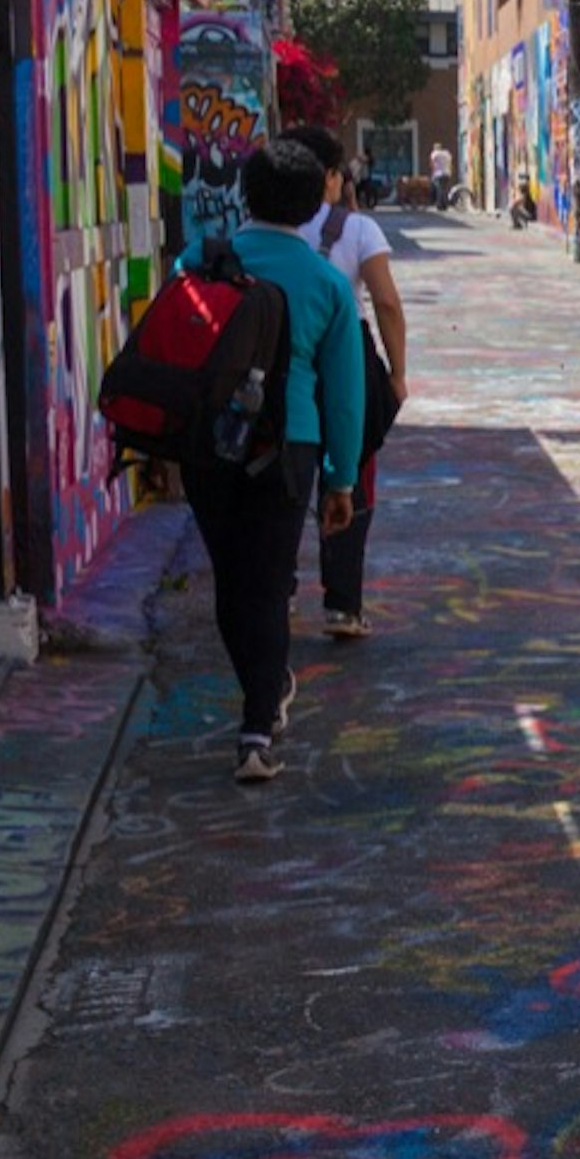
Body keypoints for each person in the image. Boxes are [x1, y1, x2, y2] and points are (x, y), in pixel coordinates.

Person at [187, 141, 364, 784]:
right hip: (290, 447)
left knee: (234, 583)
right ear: (318, 197)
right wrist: (341, 481)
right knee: (269, 581)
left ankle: (262, 702)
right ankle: (258, 724)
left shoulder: (201, 263)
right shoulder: (325, 283)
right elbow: (344, 394)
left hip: (208, 444)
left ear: (244, 192)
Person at [283, 125, 407, 638]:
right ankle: (343, 605)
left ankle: (281, 590)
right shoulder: (357, 232)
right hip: (345, 357)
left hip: (284, 356)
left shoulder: (268, 227)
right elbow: (386, 303)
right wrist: (397, 374)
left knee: (284, 475)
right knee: (352, 469)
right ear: (331, 177)